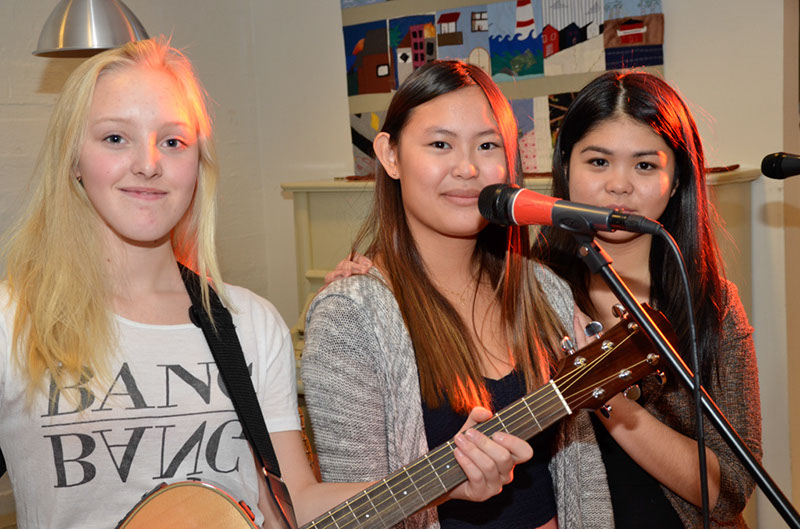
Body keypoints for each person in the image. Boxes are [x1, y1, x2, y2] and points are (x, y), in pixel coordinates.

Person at [0, 39, 524, 529]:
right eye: (116, 138)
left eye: (173, 141)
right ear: (74, 158)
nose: (148, 164)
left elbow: (296, 506)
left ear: (198, 164)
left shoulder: (247, 325)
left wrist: (441, 483)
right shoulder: (11, 322)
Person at [302, 60, 579, 529]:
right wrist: (442, 482)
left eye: (487, 145)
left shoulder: (544, 291)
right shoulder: (351, 317)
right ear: (390, 156)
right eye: (440, 144)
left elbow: (579, 478)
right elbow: (352, 517)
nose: (468, 168)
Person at [539, 70, 762, 528]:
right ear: (565, 167)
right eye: (598, 161)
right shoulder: (526, 291)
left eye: (644, 165)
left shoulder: (715, 303)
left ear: (677, 179)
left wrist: (604, 392)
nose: (619, 185)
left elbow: (730, 492)